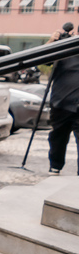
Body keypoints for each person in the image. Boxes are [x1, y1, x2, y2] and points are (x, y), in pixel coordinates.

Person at [47, 28, 79, 174]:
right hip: (62, 102)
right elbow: (44, 60)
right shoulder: (65, 45)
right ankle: (55, 167)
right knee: (57, 138)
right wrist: (51, 43)